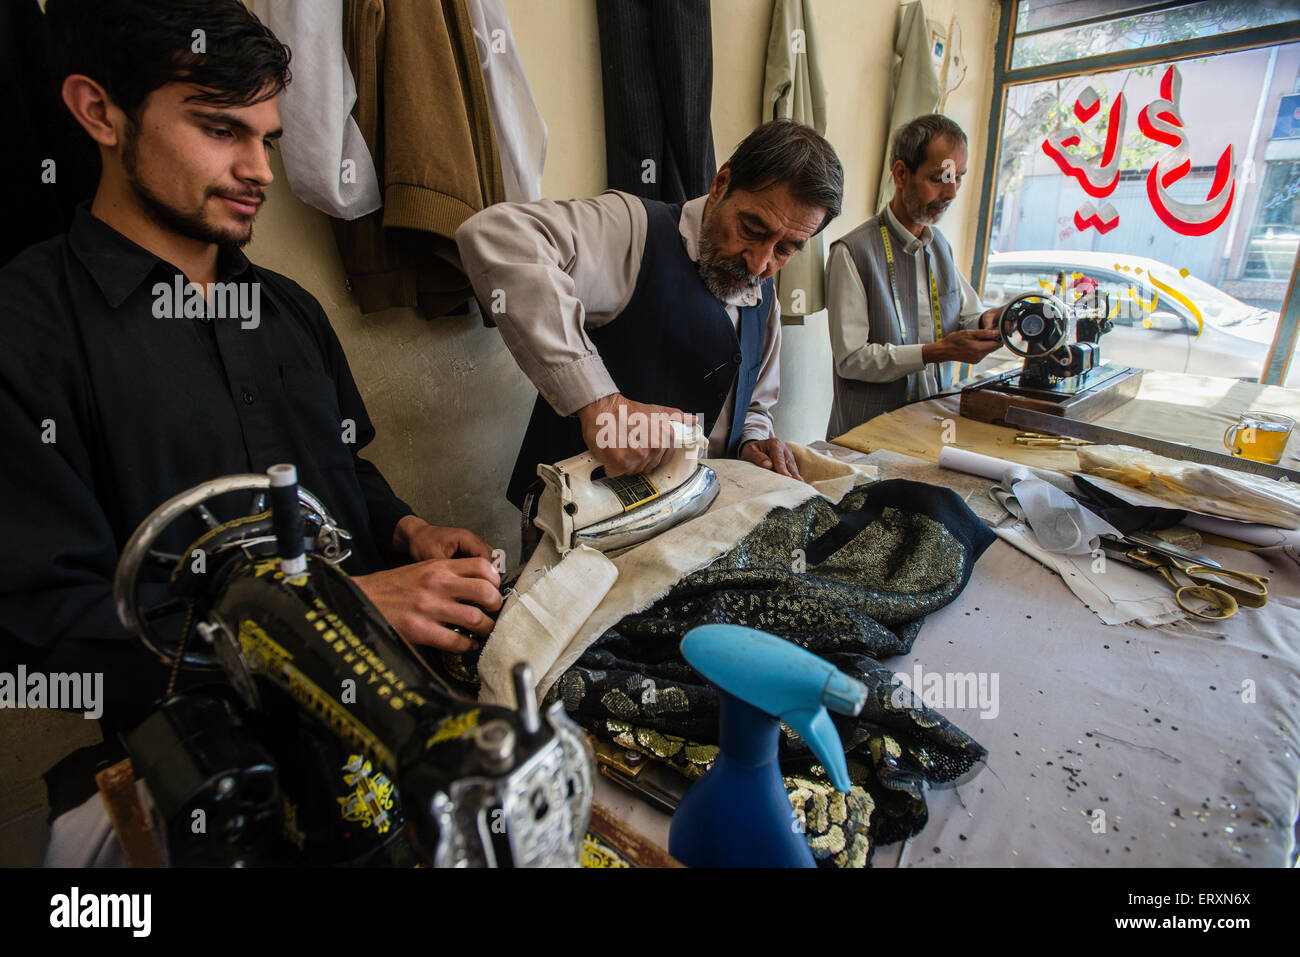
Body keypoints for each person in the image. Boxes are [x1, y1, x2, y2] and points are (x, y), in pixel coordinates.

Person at [0, 0, 504, 748]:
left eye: (267, 137)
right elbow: (50, 630)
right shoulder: (26, 329)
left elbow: (338, 472)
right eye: (219, 129)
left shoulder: (286, 310)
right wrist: (339, 609)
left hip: (381, 719)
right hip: (205, 764)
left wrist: (407, 529)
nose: (258, 170)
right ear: (100, 114)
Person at [456, 120, 845, 508]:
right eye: (752, 228)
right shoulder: (635, 231)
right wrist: (599, 402)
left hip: (689, 534)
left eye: (786, 249)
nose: (760, 264)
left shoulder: (764, 296)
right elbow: (495, 235)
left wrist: (753, 443)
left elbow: (754, 404)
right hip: (577, 527)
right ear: (721, 183)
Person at [825, 114, 1004, 438]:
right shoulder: (853, 252)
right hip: (864, 441)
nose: (950, 193)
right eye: (939, 178)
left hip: (930, 429)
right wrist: (937, 352)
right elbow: (851, 360)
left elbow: (968, 317)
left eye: (958, 178)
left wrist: (991, 322)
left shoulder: (939, 247)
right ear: (901, 173)